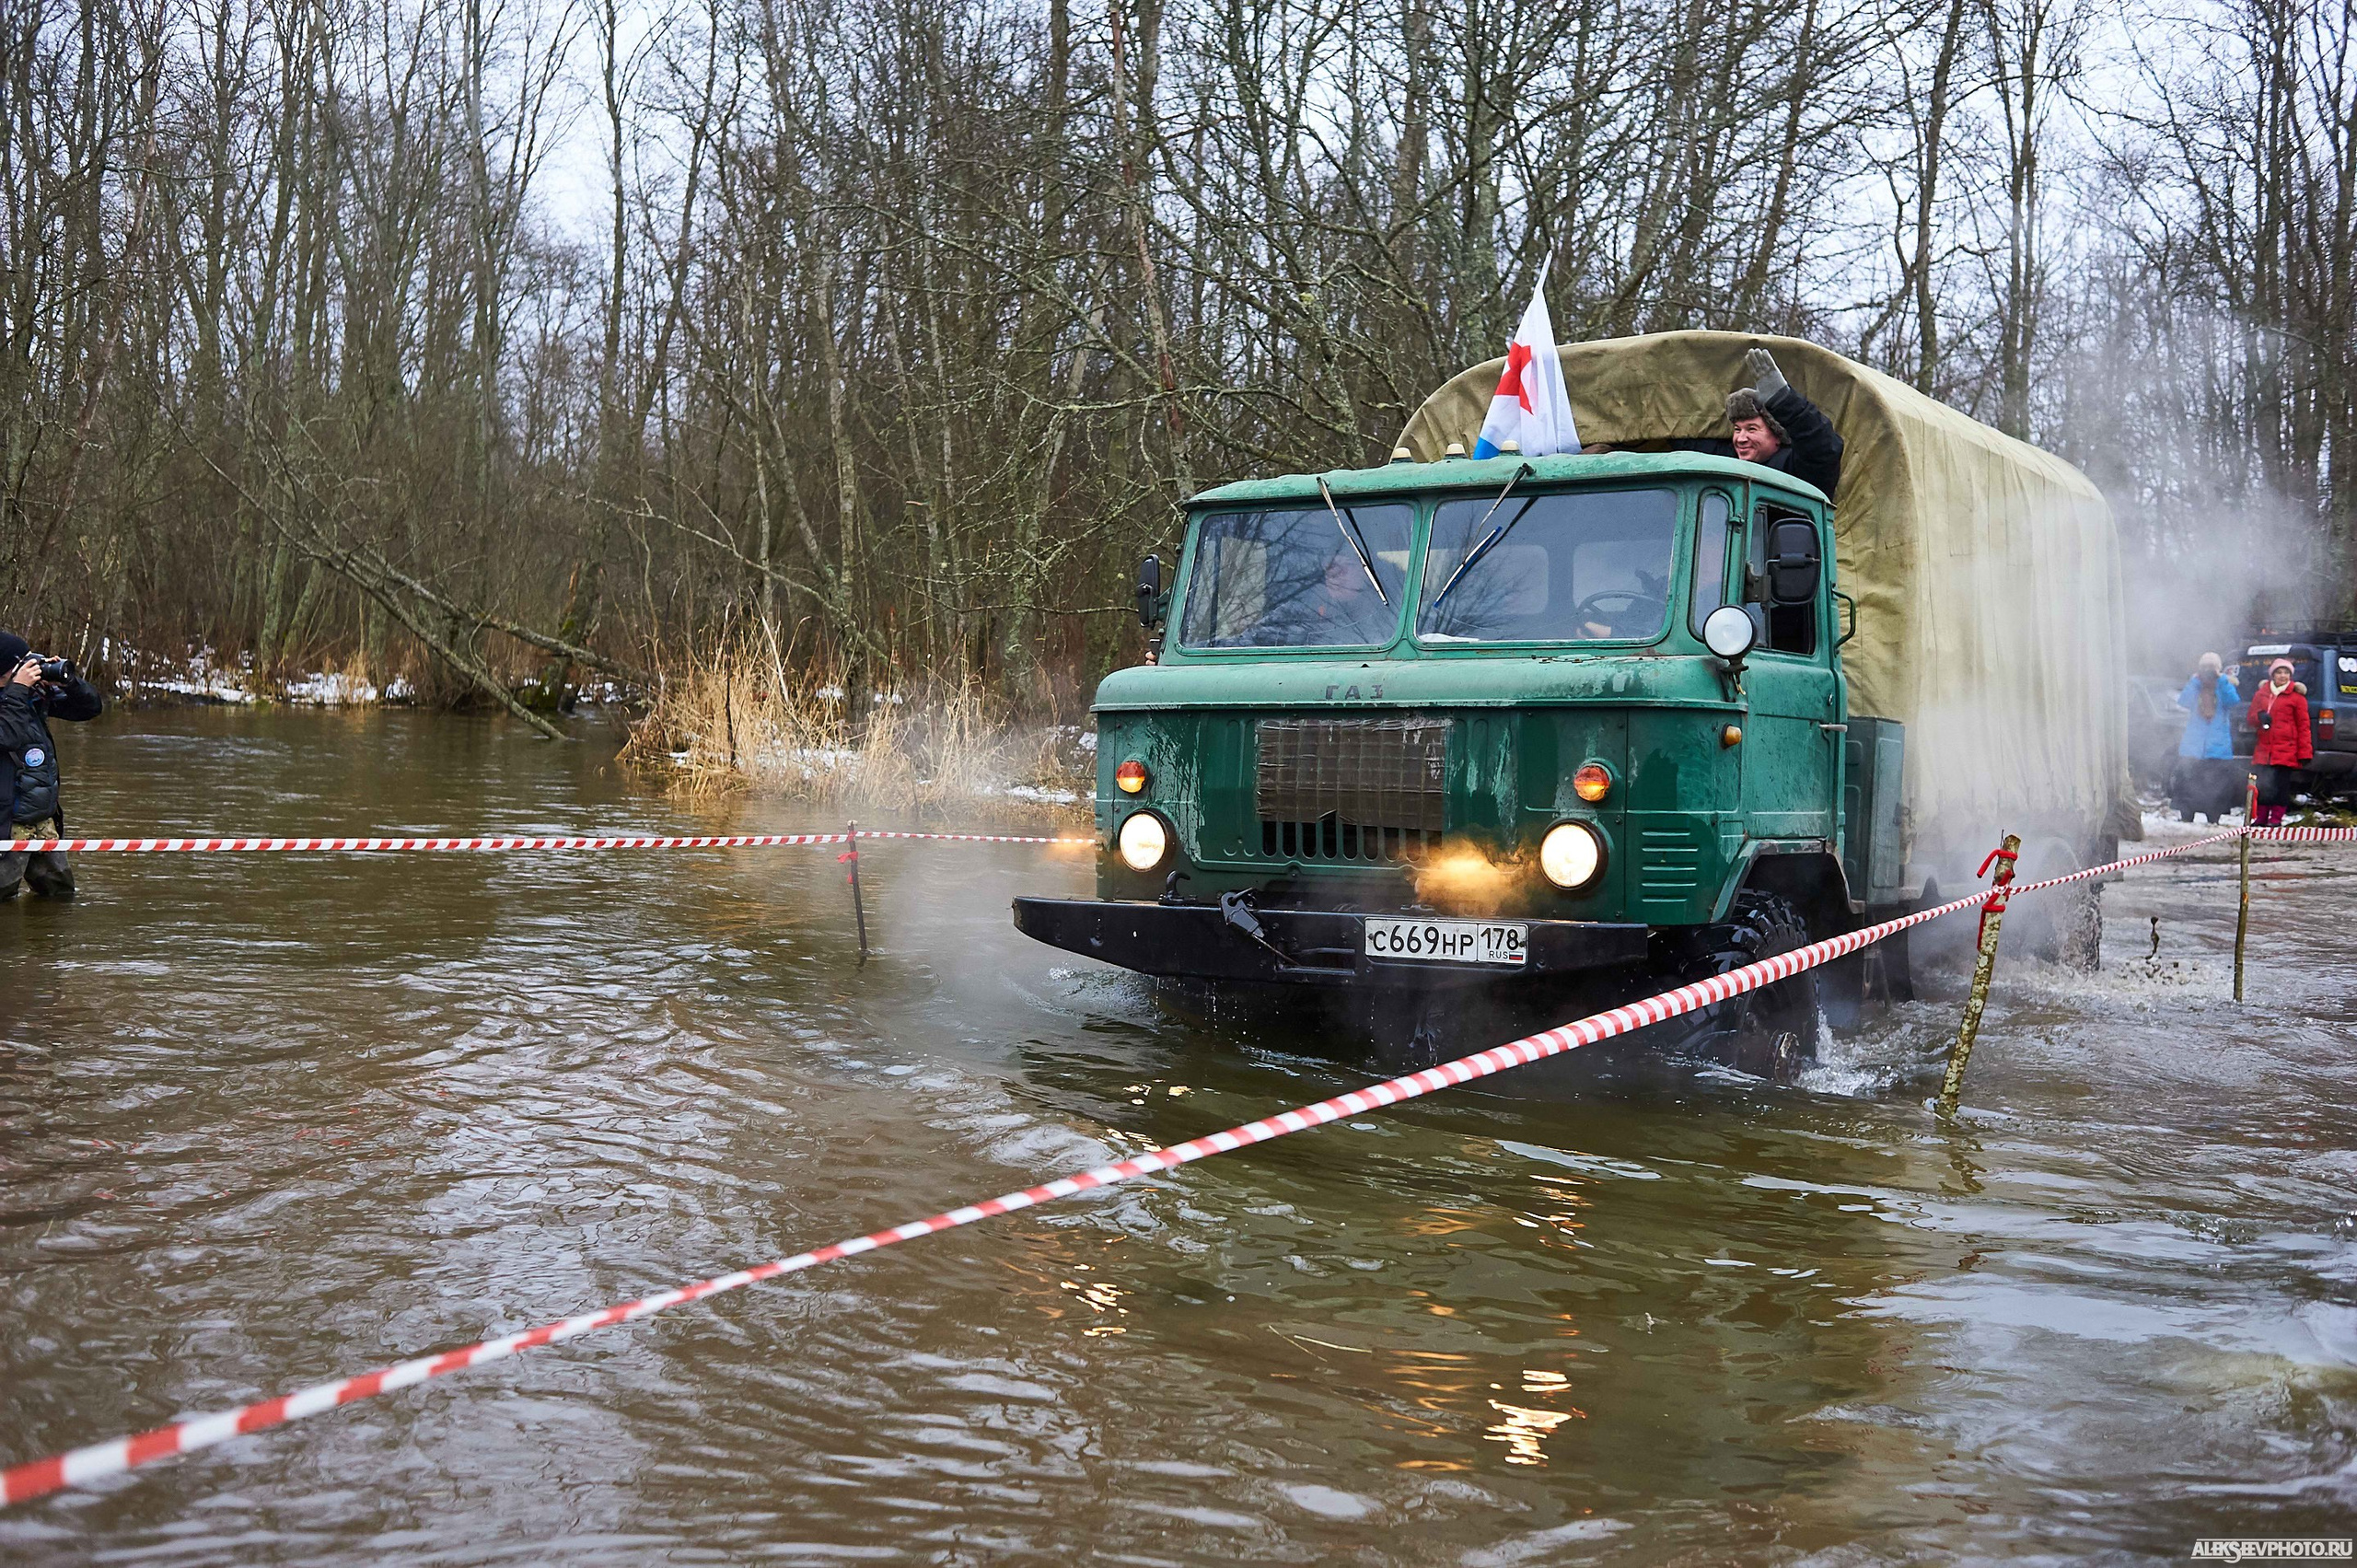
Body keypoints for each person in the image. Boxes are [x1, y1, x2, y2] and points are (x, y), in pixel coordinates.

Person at [0, 633, 103, 899]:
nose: (30, 667)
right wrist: (17, 691)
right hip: (6, 825)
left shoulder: (32, 697)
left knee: (59, 898)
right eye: (20, 664)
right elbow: (6, 736)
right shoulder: (16, 698)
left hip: (43, 819)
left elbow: (89, 709)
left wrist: (67, 683)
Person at [1673, 347, 1845, 500]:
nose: (1741, 439)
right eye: (1737, 429)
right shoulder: (1729, 460)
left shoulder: (1794, 469)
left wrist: (1783, 400)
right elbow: (1686, 442)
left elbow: (1823, 448)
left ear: (1777, 436)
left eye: (1751, 429)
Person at [2171, 652, 2241, 822]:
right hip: (2193, 747)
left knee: (2215, 786)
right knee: (2188, 784)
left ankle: (2213, 818)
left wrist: (2222, 679)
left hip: (2218, 748)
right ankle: (2187, 816)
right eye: (2205, 667)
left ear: (2219, 669)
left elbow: (2233, 701)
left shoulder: (2225, 685)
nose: (2208, 671)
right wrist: (2195, 680)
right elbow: (2183, 701)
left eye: (2212, 667)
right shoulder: (2195, 685)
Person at [2247, 656, 2312, 827]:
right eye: (2279, 672)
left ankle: (2275, 819)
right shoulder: (2261, 694)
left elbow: (2304, 726)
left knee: (2280, 787)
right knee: (2262, 785)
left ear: (2290, 676)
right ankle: (2260, 817)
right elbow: (2251, 719)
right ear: (2272, 675)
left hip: (2286, 749)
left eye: (2286, 673)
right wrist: (2259, 717)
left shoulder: (2297, 698)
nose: (2282, 676)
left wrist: (2305, 752)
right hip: (2264, 749)